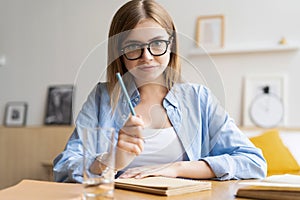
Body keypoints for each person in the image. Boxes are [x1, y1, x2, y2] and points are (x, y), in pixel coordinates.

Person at [53, 0, 266, 183]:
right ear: (119, 52)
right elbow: (63, 167)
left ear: (170, 44)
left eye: (157, 43)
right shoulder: (103, 97)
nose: (147, 56)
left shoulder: (198, 98)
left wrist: (175, 169)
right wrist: (109, 161)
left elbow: (253, 162)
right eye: (133, 47)